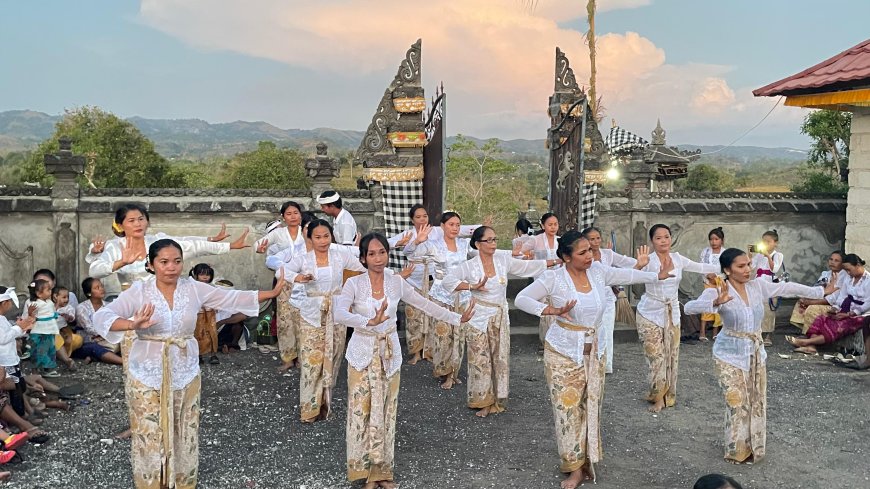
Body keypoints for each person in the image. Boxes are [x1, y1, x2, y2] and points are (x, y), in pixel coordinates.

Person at [93, 238, 284, 489]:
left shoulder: (193, 288)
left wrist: (271, 293)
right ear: (151, 265)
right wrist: (132, 324)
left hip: (184, 367)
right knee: (149, 428)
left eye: (177, 261)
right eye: (164, 262)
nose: (171, 267)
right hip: (147, 368)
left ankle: (182, 480)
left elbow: (229, 297)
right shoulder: (140, 291)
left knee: (184, 426)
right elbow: (103, 317)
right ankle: (152, 481)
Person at [514, 230, 667, 487]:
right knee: (567, 410)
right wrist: (547, 309)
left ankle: (587, 459)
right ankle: (573, 467)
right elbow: (521, 298)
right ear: (565, 256)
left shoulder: (598, 271)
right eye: (582, 252)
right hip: (563, 352)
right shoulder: (554, 278)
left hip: (593, 352)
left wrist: (655, 275)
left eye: (590, 250)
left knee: (590, 407)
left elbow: (627, 275)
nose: (589, 255)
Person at [335, 233, 475, 488]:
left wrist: (457, 318)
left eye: (382, 252)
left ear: (388, 254)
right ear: (364, 258)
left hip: (388, 355)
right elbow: (339, 313)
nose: (378, 258)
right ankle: (364, 473)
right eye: (372, 254)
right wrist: (368, 321)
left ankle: (382, 473)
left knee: (387, 412)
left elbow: (424, 304)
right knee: (360, 412)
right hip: (361, 354)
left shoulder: (396, 282)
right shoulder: (353, 284)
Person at [685, 248, 834, 464]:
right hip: (728, 354)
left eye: (748, 264)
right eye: (741, 266)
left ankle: (753, 446)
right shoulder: (718, 289)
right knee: (736, 401)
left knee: (755, 402)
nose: (747, 269)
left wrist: (820, 292)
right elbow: (690, 307)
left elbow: (787, 287)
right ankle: (736, 450)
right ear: (727, 269)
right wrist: (716, 303)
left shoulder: (758, 286)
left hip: (755, 353)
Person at [442, 226, 554, 417]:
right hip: (477, 317)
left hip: (499, 316)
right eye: (489, 240)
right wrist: (471, 286)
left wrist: (558, 261)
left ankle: (497, 399)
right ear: (478, 244)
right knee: (480, 359)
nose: (494, 244)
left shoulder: (502, 260)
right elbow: (448, 281)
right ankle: (482, 400)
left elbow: (527, 267)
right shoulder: (469, 266)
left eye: (495, 239)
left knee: (499, 358)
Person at [278, 219, 366, 422]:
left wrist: (390, 274)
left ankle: (326, 404)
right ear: (310, 238)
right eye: (317, 237)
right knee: (311, 361)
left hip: (336, 313)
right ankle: (309, 409)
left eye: (326, 236)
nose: (322, 241)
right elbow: (281, 271)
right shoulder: (303, 259)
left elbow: (363, 267)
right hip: (312, 315)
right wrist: (297, 278)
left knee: (334, 357)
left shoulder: (340, 255)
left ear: (331, 236)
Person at [636, 224, 720, 413]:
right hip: (649, 312)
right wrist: (638, 266)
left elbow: (701, 267)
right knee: (655, 357)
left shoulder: (678, 259)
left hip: (672, 312)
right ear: (652, 241)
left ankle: (667, 396)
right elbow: (630, 276)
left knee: (671, 356)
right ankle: (657, 394)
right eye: (658, 238)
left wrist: (732, 265)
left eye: (666, 236)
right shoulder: (646, 260)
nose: (663, 241)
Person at [403, 211, 474, 389]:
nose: (455, 228)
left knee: (459, 336)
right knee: (443, 335)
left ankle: (454, 372)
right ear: (442, 226)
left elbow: (484, 251)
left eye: (458, 225)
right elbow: (409, 253)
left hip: (462, 296)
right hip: (442, 295)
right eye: (451, 224)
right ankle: (443, 371)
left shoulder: (464, 244)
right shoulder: (433, 245)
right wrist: (418, 240)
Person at [582, 226, 646, 374]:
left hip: (608, 299)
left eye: (598, 238)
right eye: (592, 239)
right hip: (589, 299)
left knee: (607, 331)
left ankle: (606, 364)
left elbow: (627, 263)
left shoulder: (608, 254)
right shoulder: (583, 256)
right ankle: (588, 362)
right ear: (585, 241)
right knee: (589, 332)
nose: (596, 241)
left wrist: (641, 263)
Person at [787, 253, 868, 355]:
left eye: (849, 269)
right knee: (821, 319)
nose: (848, 272)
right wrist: (835, 308)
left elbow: (867, 304)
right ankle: (811, 347)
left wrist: (849, 314)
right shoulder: (849, 278)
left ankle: (806, 342)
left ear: (858, 265)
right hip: (845, 310)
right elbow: (842, 295)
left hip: (861, 315)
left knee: (838, 325)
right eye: (846, 270)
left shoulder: (868, 280)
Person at [266, 211, 316, 372]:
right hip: (288, 288)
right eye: (307, 228)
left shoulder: (324, 250)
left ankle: (304, 358)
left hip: (309, 291)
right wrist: (289, 271)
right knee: (285, 324)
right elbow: (271, 260)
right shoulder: (295, 249)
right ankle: (288, 358)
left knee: (305, 325)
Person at [789, 251, 845, 334]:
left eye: (836, 261)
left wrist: (811, 302)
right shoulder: (826, 274)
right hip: (821, 299)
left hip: (835, 306)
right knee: (801, 301)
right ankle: (806, 332)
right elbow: (816, 288)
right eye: (831, 259)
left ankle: (810, 337)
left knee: (812, 308)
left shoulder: (844, 277)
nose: (832, 262)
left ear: (843, 263)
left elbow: (832, 299)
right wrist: (807, 299)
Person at [74, 277, 123, 365]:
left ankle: (95, 357)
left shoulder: (108, 306)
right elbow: (89, 329)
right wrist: (108, 333)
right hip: (87, 341)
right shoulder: (82, 308)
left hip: (104, 339)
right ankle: (125, 363)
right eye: (97, 288)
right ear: (89, 293)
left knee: (122, 340)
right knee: (94, 348)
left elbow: (113, 322)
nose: (101, 289)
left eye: (101, 286)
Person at [749, 230, 784, 346]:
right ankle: (757, 333)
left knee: (769, 310)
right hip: (758, 282)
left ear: (775, 243)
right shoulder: (759, 255)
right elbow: (751, 267)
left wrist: (768, 256)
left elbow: (774, 269)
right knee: (756, 307)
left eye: (768, 242)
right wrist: (749, 256)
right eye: (764, 242)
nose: (766, 244)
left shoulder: (778, 255)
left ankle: (768, 335)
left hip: (770, 284)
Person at [25, 279, 61, 377]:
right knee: (37, 350)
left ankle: (47, 369)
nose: (50, 292)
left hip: (50, 330)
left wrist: (57, 303)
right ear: (39, 294)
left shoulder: (49, 302)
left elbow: (53, 312)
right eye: (48, 290)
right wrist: (30, 313)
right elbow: (31, 317)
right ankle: (35, 371)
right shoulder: (35, 303)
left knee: (50, 350)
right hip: (39, 330)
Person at [189, 264, 221, 365]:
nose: (205, 277)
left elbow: (216, 299)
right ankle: (199, 355)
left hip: (210, 313)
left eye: (207, 274)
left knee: (212, 333)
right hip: (198, 314)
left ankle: (213, 354)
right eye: (202, 274)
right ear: (196, 275)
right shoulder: (192, 287)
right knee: (198, 333)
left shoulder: (212, 287)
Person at [698, 227, 725, 342]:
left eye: (716, 239)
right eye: (711, 239)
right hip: (708, 283)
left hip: (720, 284)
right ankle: (702, 332)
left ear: (722, 240)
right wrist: (708, 275)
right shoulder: (705, 252)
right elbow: (701, 266)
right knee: (707, 305)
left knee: (718, 307)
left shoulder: (725, 252)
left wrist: (718, 277)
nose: (713, 242)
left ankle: (715, 332)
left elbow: (727, 269)